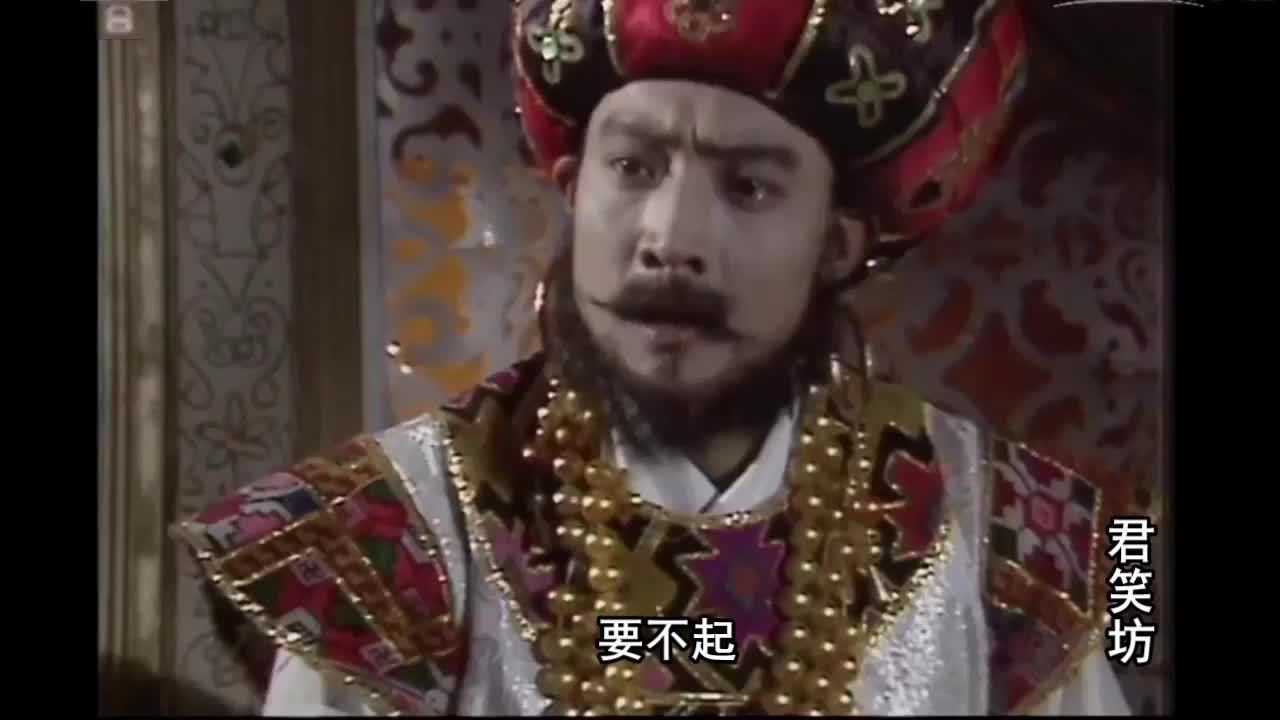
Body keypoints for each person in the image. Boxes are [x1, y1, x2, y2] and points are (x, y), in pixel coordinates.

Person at [174, 0, 1142, 714]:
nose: (671, 240)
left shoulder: (1015, 544)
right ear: (571, 186)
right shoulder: (393, 538)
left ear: (836, 244)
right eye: (633, 169)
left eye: (749, 187)